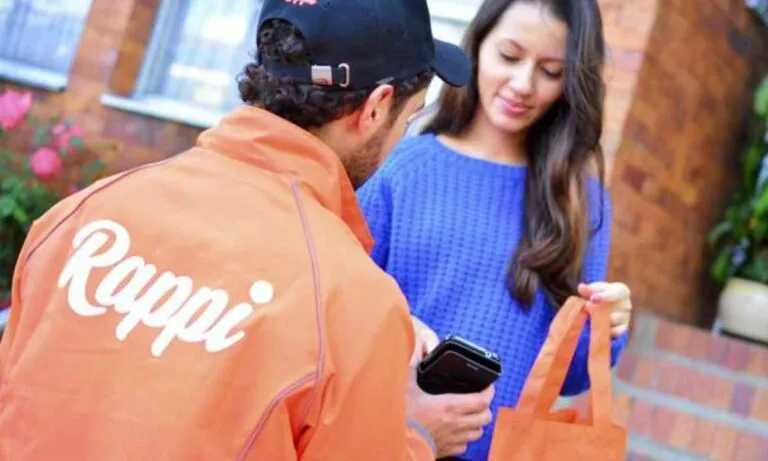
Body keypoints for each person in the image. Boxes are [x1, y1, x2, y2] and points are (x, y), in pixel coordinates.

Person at [0, 1, 495, 460]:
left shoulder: (80, 214)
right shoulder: (352, 303)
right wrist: (416, 435)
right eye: (407, 122)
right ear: (375, 108)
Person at [357, 0, 634, 459]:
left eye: (550, 71)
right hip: (387, 441)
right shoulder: (399, 169)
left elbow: (571, 377)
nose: (523, 85)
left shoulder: (579, 201)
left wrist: (609, 326)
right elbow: (335, 317)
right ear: (479, 45)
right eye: (509, 56)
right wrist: (397, 326)